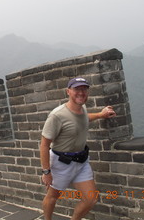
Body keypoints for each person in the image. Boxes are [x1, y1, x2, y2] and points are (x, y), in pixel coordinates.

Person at [40, 77, 116, 220]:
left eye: (84, 89)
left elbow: (84, 118)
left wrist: (101, 114)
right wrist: (46, 172)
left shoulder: (83, 109)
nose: (81, 92)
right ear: (68, 91)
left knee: (91, 198)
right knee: (52, 198)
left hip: (81, 162)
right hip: (60, 163)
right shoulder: (57, 115)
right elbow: (44, 144)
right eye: (76, 89)